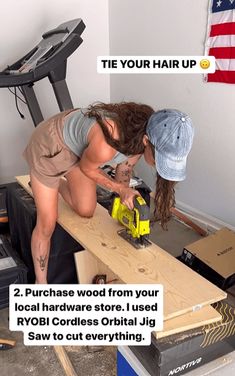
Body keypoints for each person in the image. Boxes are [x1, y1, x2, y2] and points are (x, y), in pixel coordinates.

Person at [23, 102, 194, 284]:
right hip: (52, 146)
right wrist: (120, 189)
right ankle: (40, 283)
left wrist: (124, 205)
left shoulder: (145, 129)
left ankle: (51, 187)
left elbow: (125, 169)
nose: (161, 166)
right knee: (47, 223)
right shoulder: (107, 143)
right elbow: (88, 168)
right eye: (161, 160)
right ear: (146, 141)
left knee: (86, 210)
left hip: (80, 151)